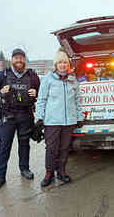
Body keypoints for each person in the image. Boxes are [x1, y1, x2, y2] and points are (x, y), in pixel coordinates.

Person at [0, 48, 40, 192]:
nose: (19, 60)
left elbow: (41, 93)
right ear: (12, 60)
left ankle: (24, 169)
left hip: (26, 116)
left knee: (24, 145)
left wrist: (37, 93)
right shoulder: (3, 74)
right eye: (16, 58)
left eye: (21, 58)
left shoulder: (33, 76)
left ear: (25, 60)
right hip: (8, 116)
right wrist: (0, 92)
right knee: (4, 147)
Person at [36, 49, 83, 187]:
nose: (62, 65)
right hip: (52, 121)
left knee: (64, 148)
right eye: (60, 62)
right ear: (55, 65)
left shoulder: (72, 80)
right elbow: (41, 100)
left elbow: (77, 100)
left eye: (65, 62)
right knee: (51, 148)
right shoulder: (47, 79)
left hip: (69, 122)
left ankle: (61, 172)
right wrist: (39, 118)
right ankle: (49, 173)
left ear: (68, 64)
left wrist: (79, 117)